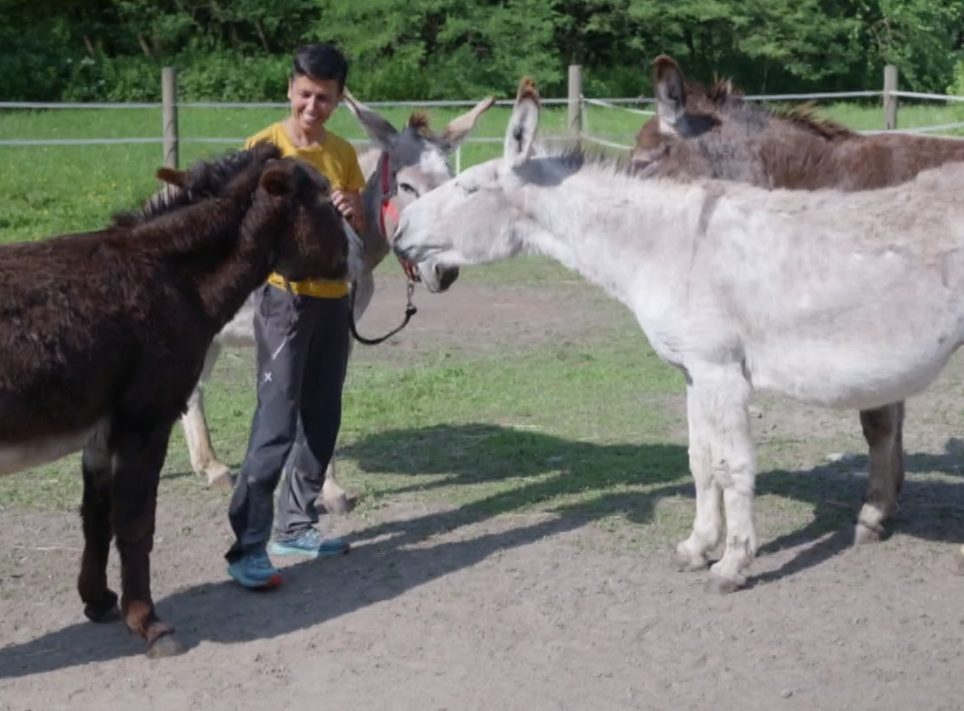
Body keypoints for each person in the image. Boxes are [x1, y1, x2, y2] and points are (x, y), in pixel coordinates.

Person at [225, 43, 366, 589]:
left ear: (337, 99)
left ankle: (295, 525)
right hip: (284, 300)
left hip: (335, 298)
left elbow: (359, 228)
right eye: (305, 95)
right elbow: (241, 229)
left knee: (323, 417)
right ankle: (248, 548)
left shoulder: (344, 154)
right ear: (291, 89)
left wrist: (353, 213)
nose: (313, 107)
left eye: (325, 98)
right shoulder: (262, 149)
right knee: (275, 422)